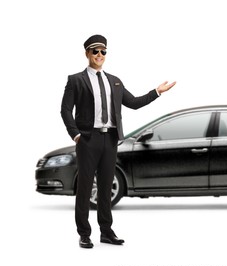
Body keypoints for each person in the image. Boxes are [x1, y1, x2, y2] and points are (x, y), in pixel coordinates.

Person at [61, 34, 176, 249]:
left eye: (103, 51)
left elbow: (133, 102)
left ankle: (106, 231)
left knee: (105, 186)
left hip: (111, 139)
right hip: (88, 139)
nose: (99, 55)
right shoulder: (76, 80)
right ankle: (84, 233)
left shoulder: (114, 81)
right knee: (85, 188)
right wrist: (75, 134)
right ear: (87, 53)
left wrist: (157, 92)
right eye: (95, 51)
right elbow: (65, 109)